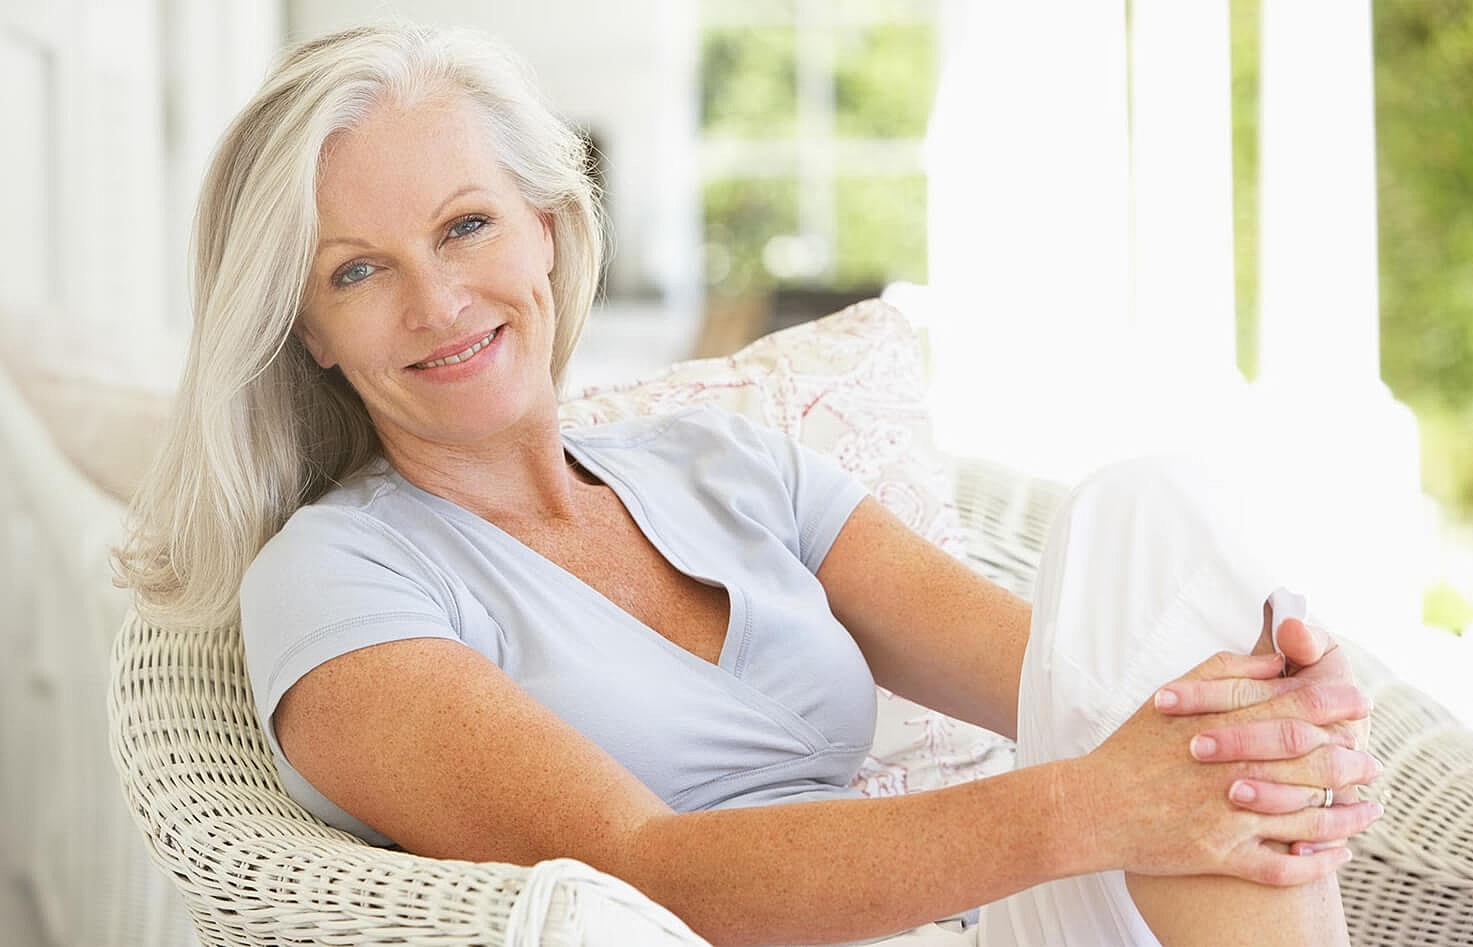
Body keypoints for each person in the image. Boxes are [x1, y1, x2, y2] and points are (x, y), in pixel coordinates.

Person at [114, 21, 1382, 947]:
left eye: (465, 226)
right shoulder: (337, 576)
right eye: (355, 271)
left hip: (978, 928)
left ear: (548, 224)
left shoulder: (722, 462)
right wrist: (1098, 806)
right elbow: (645, 869)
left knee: (1145, 513)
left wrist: (1279, 723)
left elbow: (1088, 687)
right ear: (305, 329)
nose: (439, 301)